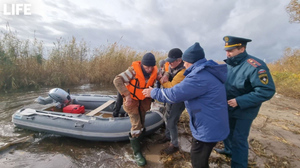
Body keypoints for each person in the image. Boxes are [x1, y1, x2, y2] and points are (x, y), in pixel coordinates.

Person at [142, 42, 229, 168]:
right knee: (200, 157)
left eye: (186, 62)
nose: (185, 64)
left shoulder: (198, 77)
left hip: (208, 127)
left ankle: (174, 144)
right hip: (210, 122)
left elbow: (174, 94)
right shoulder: (205, 71)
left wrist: (153, 92)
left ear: (192, 61)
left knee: (198, 161)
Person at [214, 36, 276, 168]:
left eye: (231, 50)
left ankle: (239, 164)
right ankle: (229, 151)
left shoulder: (255, 66)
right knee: (227, 132)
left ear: (242, 48)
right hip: (228, 107)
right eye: (226, 50)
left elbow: (266, 90)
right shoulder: (229, 64)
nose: (227, 53)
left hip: (244, 110)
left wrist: (240, 101)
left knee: (239, 140)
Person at [113, 52, 158, 166]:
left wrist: (165, 77)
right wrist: (126, 95)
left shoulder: (155, 71)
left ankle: (140, 140)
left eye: (151, 67)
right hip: (131, 101)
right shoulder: (132, 71)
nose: (149, 69)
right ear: (142, 65)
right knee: (136, 125)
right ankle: (137, 152)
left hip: (143, 100)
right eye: (146, 67)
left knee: (142, 121)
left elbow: (162, 76)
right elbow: (117, 80)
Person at [156, 48, 186, 155]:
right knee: (166, 116)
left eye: (172, 61)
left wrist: (160, 79)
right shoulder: (171, 65)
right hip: (169, 98)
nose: (170, 63)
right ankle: (168, 136)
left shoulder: (183, 71)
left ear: (179, 60)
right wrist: (166, 75)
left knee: (172, 121)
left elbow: (171, 87)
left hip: (179, 100)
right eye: (169, 60)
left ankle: (174, 145)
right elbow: (168, 71)